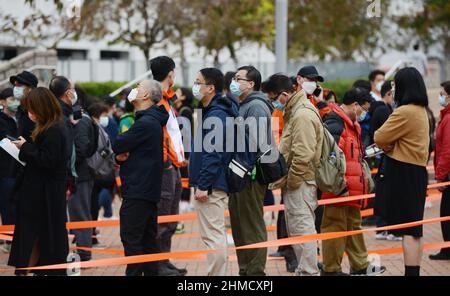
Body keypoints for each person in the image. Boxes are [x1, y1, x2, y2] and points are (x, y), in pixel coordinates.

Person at [321, 88, 386, 276]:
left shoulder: (351, 124)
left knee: (353, 226)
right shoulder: (336, 122)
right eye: (363, 109)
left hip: (352, 187)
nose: (363, 114)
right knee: (335, 227)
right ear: (355, 104)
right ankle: (331, 268)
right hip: (340, 188)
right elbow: (330, 158)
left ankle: (360, 264)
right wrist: (339, 184)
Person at [374, 67, 430, 276]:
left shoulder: (405, 111)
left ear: (405, 86)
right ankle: (413, 271)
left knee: (409, 229)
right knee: (415, 229)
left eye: (396, 84)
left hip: (405, 173)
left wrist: (390, 147)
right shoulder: (420, 110)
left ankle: (410, 273)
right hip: (416, 172)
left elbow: (380, 137)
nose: (393, 88)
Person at [8, 87, 70, 276]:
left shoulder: (54, 129)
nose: (30, 114)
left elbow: (47, 160)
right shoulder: (52, 126)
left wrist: (25, 147)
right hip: (41, 194)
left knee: (36, 237)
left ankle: (33, 270)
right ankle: (31, 270)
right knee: (33, 237)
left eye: (32, 109)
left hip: (44, 196)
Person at [112, 79, 169, 276]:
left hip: (138, 191)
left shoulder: (146, 123)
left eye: (138, 88)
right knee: (147, 242)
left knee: (132, 240)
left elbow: (118, 143)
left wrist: (120, 153)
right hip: (146, 190)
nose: (134, 90)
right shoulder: (150, 120)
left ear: (145, 96)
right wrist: (121, 156)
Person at [271, 74, 324, 276]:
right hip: (299, 180)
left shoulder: (302, 114)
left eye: (274, 98)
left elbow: (303, 154)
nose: (274, 103)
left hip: (301, 181)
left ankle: (309, 272)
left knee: (302, 229)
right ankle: (305, 270)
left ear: (284, 94)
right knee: (298, 229)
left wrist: (292, 180)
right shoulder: (296, 111)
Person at [189, 68, 238, 276]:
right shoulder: (215, 110)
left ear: (210, 88)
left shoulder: (217, 113)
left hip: (211, 184)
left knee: (213, 236)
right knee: (215, 235)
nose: (195, 86)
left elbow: (214, 153)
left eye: (198, 82)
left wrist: (203, 184)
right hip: (213, 181)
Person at [228, 65, 274, 276]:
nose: (234, 82)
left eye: (239, 78)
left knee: (251, 226)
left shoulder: (255, 106)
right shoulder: (244, 105)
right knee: (240, 225)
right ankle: (245, 269)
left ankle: (255, 272)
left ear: (251, 83)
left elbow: (254, 144)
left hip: (250, 175)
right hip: (241, 175)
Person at [150, 56, 187, 276]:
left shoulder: (166, 99)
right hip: (165, 166)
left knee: (171, 218)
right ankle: (157, 263)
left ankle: (164, 259)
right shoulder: (156, 99)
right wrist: (165, 163)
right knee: (163, 218)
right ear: (171, 74)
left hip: (173, 165)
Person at [262, 74, 297, 273]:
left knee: (296, 219)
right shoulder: (278, 111)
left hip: (292, 171)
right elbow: (275, 139)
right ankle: (287, 251)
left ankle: (294, 255)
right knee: (287, 215)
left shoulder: (300, 110)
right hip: (283, 169)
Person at [67, 85, 99, 262]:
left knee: (80, 213)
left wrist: (66, 162)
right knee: (79, 212)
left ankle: (84, 251)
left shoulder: (80, 119)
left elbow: (82, 148)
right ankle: (83, 248)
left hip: (80, 174)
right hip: (80, 173)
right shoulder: (80, 117)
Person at [87, 102, 116, 247]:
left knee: (92, 205)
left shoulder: (96, 128)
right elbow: (100, 151)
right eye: (105, 115)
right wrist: (107, 154)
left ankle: (88, 235)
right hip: (96, 172)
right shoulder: (94, 128)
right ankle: (90, 237)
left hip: (96, 172)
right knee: (92, 206)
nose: (107, 118)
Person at [429, 81, 450, 261]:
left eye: (442, 93)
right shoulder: (446, 116)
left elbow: (447, 150)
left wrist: (441, 175)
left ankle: (447, 249)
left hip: (448, 174)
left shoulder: (449, 118)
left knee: (446, 214)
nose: (440, 97)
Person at [0, 88, 18, 253]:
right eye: (11, 98)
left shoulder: (19, 118)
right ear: (3, 102)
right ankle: (8, 240)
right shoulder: (1, 120)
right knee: (7, 206)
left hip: (19, 169)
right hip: (5, 170)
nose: (15, 101)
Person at [9, 71, 38, 142]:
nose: (15, 89)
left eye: (19, 85)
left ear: (30, 88)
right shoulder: (21, 109)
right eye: (15, 85)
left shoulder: (36, 109)